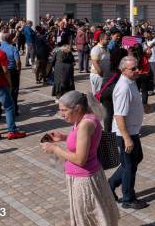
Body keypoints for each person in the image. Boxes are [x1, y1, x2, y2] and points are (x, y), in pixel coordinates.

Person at [40, 91, 120, 226]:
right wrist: (63, 137)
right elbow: (85, 141)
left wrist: (55, 149)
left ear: (77, 108)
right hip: (87, 175)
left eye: (64, 110)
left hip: (84, 180)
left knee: (88, 220)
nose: (61, 114)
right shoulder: (86, 118)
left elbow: (80, 159)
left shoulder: (85, 124)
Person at [108, 56, 149, 210]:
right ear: (123, 71)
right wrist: (126, 138)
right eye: (133, 69)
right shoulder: (123, 88)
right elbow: (119, 115)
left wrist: (143, 106)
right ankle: (128, 198)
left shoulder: (131, 82)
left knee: (136, 159)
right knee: (129, 166)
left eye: (137, 67)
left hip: (132, 131)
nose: (137, 70)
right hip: (125, 133)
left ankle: (110, 184)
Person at [0, 32, 21, 114]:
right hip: (12, 71)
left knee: (2, 90)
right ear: (10, 39)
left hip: (1, 71)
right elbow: (18, 61)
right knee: (14, 90)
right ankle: (14, 109)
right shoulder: (13, 48)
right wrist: (19, 71)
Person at [143, 31, 155, 96]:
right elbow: (144, 51)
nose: (147, 36)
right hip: (148, 61)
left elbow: (153, 44)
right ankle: (150, 89)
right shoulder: (144, 43)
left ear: (150, 34)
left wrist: (147, 47)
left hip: (154, 60)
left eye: (148, 34)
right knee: (149, 76)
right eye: (146, 35)